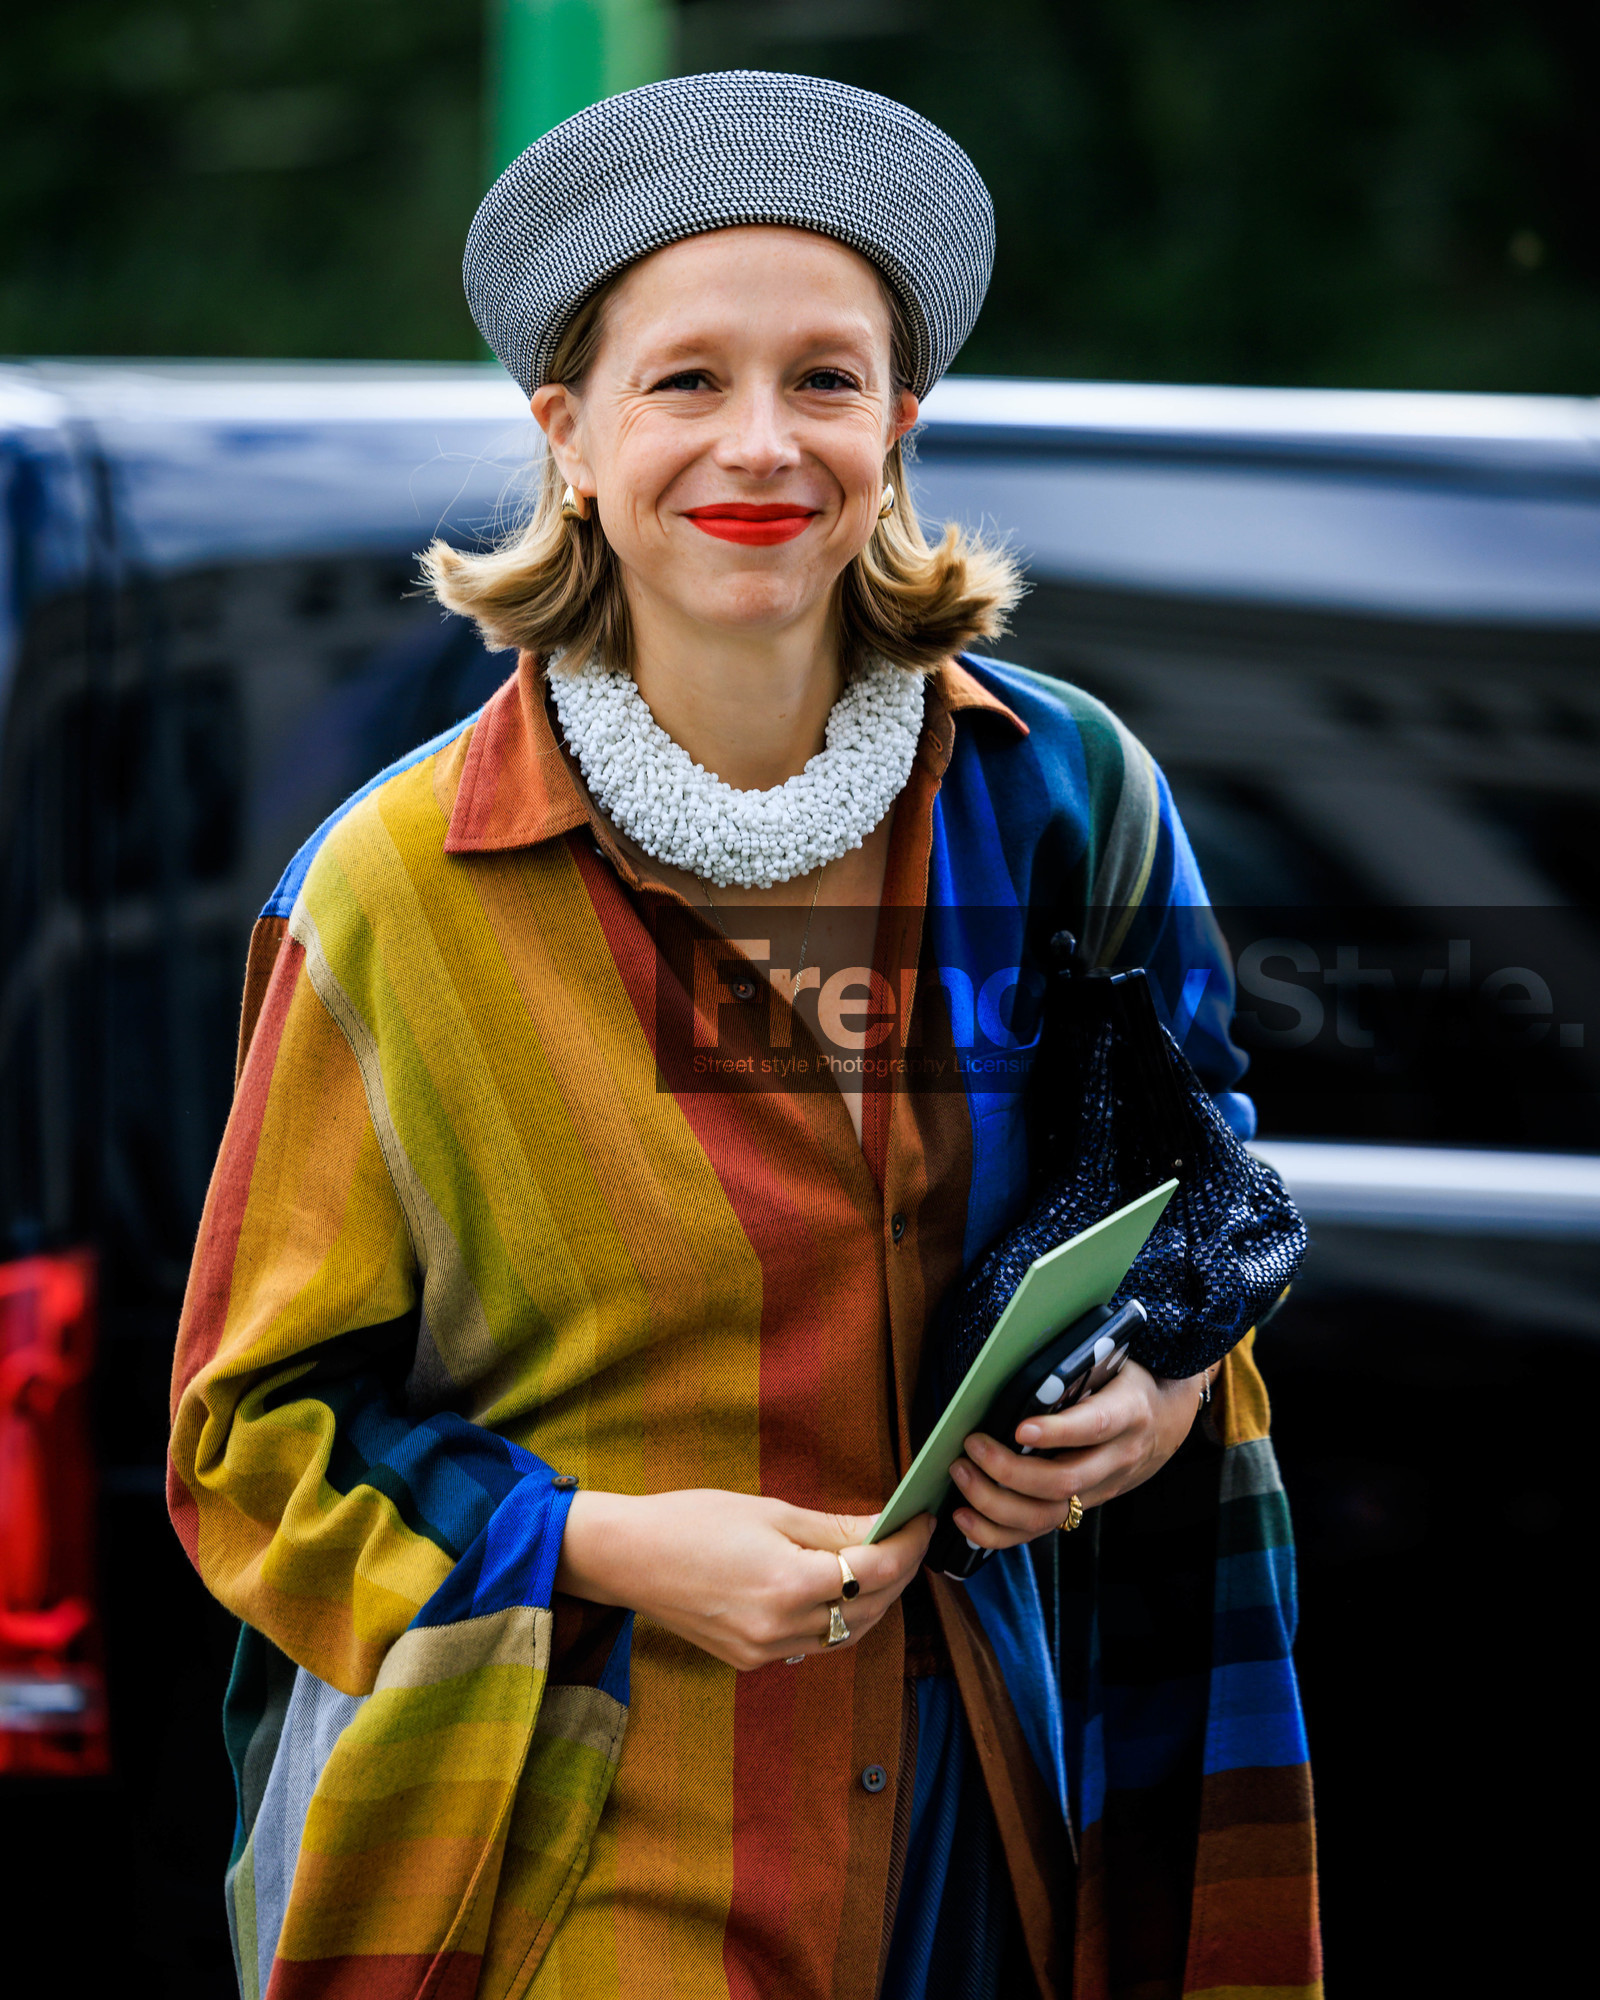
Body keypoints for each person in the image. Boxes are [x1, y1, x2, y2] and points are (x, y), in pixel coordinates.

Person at [169, 72, 1320, 2000]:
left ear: (905, 427)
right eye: (686, 381)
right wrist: (609, 1546)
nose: (761, 443)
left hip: (1002, 1823)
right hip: (571, 1854)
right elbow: (244, 1445)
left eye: (827, 379)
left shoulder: (1071, 797)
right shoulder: (390, 891)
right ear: (571, 439)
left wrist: (1164, 1397)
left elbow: (1200, 1190)